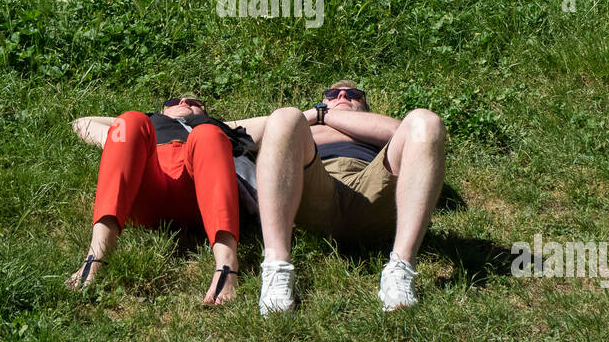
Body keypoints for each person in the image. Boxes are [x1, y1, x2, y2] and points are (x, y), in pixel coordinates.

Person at [228, 80, 446, 314]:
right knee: (283, 117)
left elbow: (397, 132)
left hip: (373, 188)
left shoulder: (375, 124)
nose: (342, 94)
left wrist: (324, 115)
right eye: (332, 94)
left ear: (365, 108)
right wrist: (313, 116)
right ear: (321, 102)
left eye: (354, 95)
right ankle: (276, 268)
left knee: (426, 121)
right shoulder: (301, 124)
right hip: (315, 190)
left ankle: (401, 268)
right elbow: (229, 133)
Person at [68, 94, 250, 305]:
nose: (183, 102)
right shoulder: (149, 123)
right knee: (130, 121)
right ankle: (96, 257)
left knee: (208, 134)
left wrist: (219, 126)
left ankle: (227, 266)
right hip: (149, 186)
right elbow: (81, 123)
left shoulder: (221, 128)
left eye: (193, 103)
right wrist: (134, 124)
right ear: (162, 110)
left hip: (199, 192)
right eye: (173, 102)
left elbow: (275, 125)